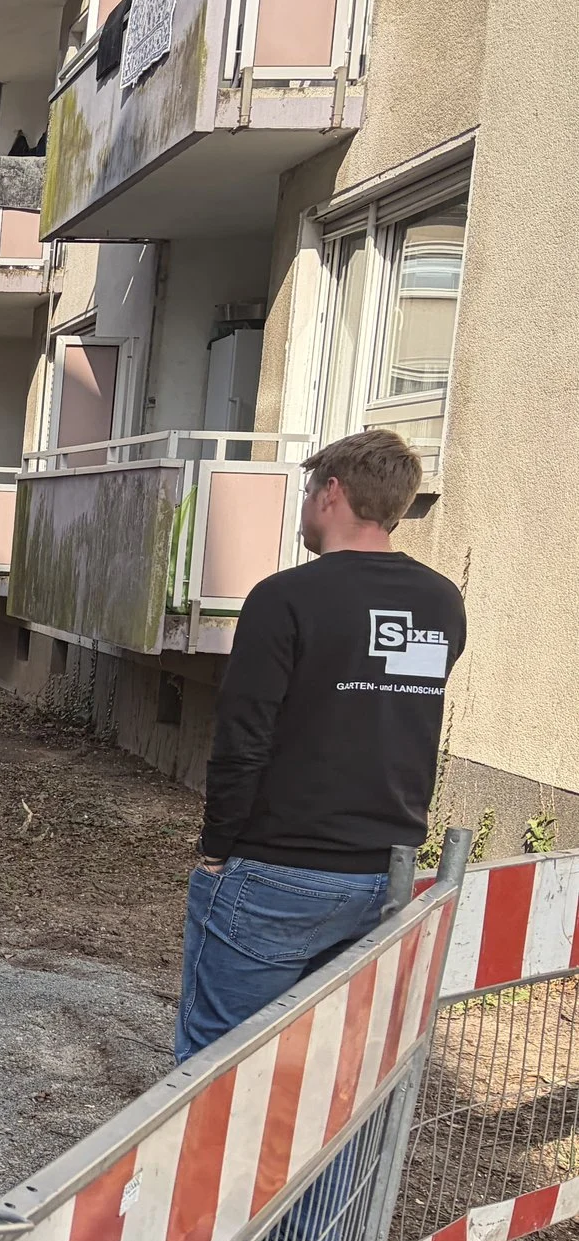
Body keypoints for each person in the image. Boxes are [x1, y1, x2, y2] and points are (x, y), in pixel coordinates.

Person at [177, 428, 466, 1063]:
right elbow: (395, 716)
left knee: (220, 1070)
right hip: (384, 874)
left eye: (309, 490)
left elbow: (243, 736)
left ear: (332, 491)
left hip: (276, 868)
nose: (305, 505)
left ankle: (226, 1168)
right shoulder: (441, 603)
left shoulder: (286, 598)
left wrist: (217, 848)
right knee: (331, 1076)